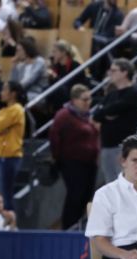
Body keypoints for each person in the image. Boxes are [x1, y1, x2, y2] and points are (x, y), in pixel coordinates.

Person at [50, 84, 100, 230]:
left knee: (86, 197)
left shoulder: (88, 116)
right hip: (72, 162)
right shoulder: (64, 115)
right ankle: (68, 229)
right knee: (75, 196)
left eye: (89, 99)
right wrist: (58, 157)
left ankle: (78, 227)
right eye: (84, 99)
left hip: (90, 163)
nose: (88, 102)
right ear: (74, 100)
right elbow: (54, 136)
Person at [92, 59, 137, 186]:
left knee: (125, 184)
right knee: (110, 184)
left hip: (122, 146)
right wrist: (108, 113)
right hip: (107, 145)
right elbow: (97, 115)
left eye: (114, 70)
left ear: (125, 72)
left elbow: (111, 109)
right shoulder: (111, 95)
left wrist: (107, 113)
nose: (110, 73)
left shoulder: (132, 94)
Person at [0, 81, 25, 211]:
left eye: (4, 90)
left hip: (10, 157)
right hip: (0, 155)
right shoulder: (3, 111)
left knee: (6, 196)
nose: (1, 92)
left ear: (13, 94)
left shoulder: (16, 109)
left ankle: (9, 222)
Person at [74, 0, 124, 75]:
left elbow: (110, 33)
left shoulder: (118, 14)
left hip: (104, 41)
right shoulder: (94, 6)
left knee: (98, 43)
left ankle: (94, 74)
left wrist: (94, 36)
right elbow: (77, 21)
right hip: (90, 39)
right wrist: (80, 27)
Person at [47, 41, 89, 112]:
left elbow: (68, 88)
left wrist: (55, 77)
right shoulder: (57, 66)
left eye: (55, 52)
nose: (52, 55)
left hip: (72, 96)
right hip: (59, 98)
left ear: (63, 52)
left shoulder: (75, 66)